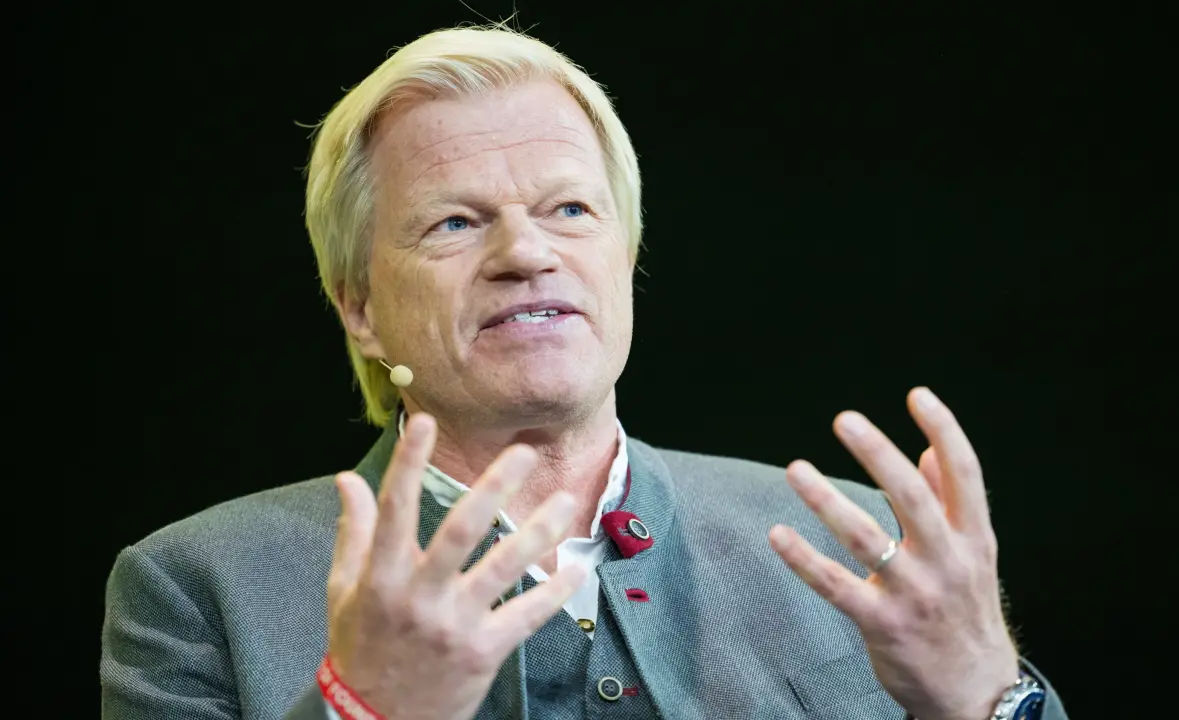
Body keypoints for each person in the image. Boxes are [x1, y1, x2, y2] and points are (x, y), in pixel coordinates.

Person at [101, 24, 1067, 720]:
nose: (527, 253)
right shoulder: (198, 587)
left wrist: (987, 696)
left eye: (569, 210)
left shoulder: (865, 550)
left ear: (626, 257)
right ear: (358, 305)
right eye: (455, 222)